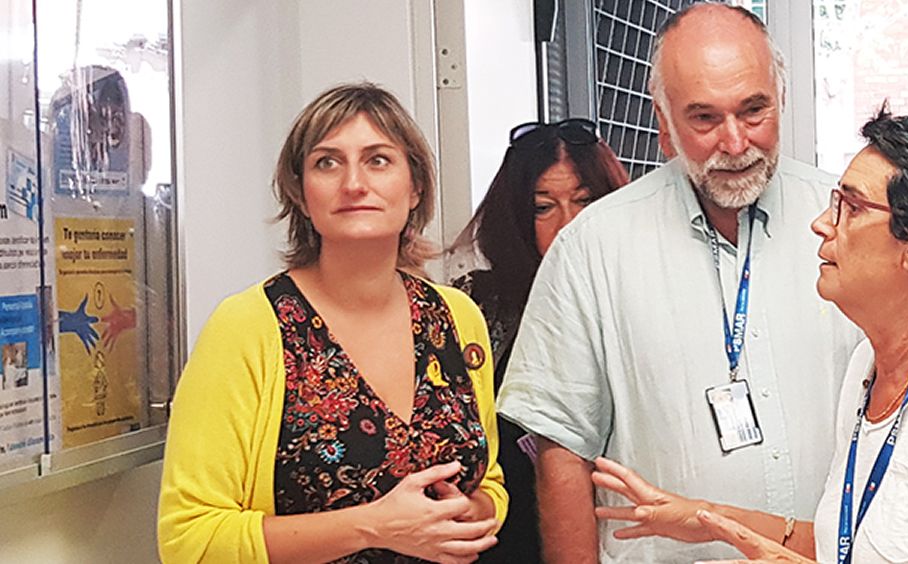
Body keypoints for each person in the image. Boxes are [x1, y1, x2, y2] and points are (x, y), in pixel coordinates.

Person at [591, 111, 908, 564]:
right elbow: (847, 544)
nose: (822, 224)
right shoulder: (870, 363)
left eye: (852, 208)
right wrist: (707, 519)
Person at [495, 4, 860, 562]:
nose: (735, 143)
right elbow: (562, 449)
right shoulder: (592, 247)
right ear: (663, 124)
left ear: (782, 99)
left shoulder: (854, 223)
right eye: (704, 119)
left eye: (754, 110)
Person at [157, 83, 507, 563]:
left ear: (415, 187)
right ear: (300, 194)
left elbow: (489, 481)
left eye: (378, 160)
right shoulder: (247, 327)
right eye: (327, 162)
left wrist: (473, 511)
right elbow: (189, 539)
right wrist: (373, 527)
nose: (354, 184)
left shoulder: (457, 316)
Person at [446, 118, 629, 563]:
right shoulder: (478, 306)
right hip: (504, 537)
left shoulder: (642, 297)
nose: (569, 224)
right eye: (544, 207)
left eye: (585, 201)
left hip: (624, 533)